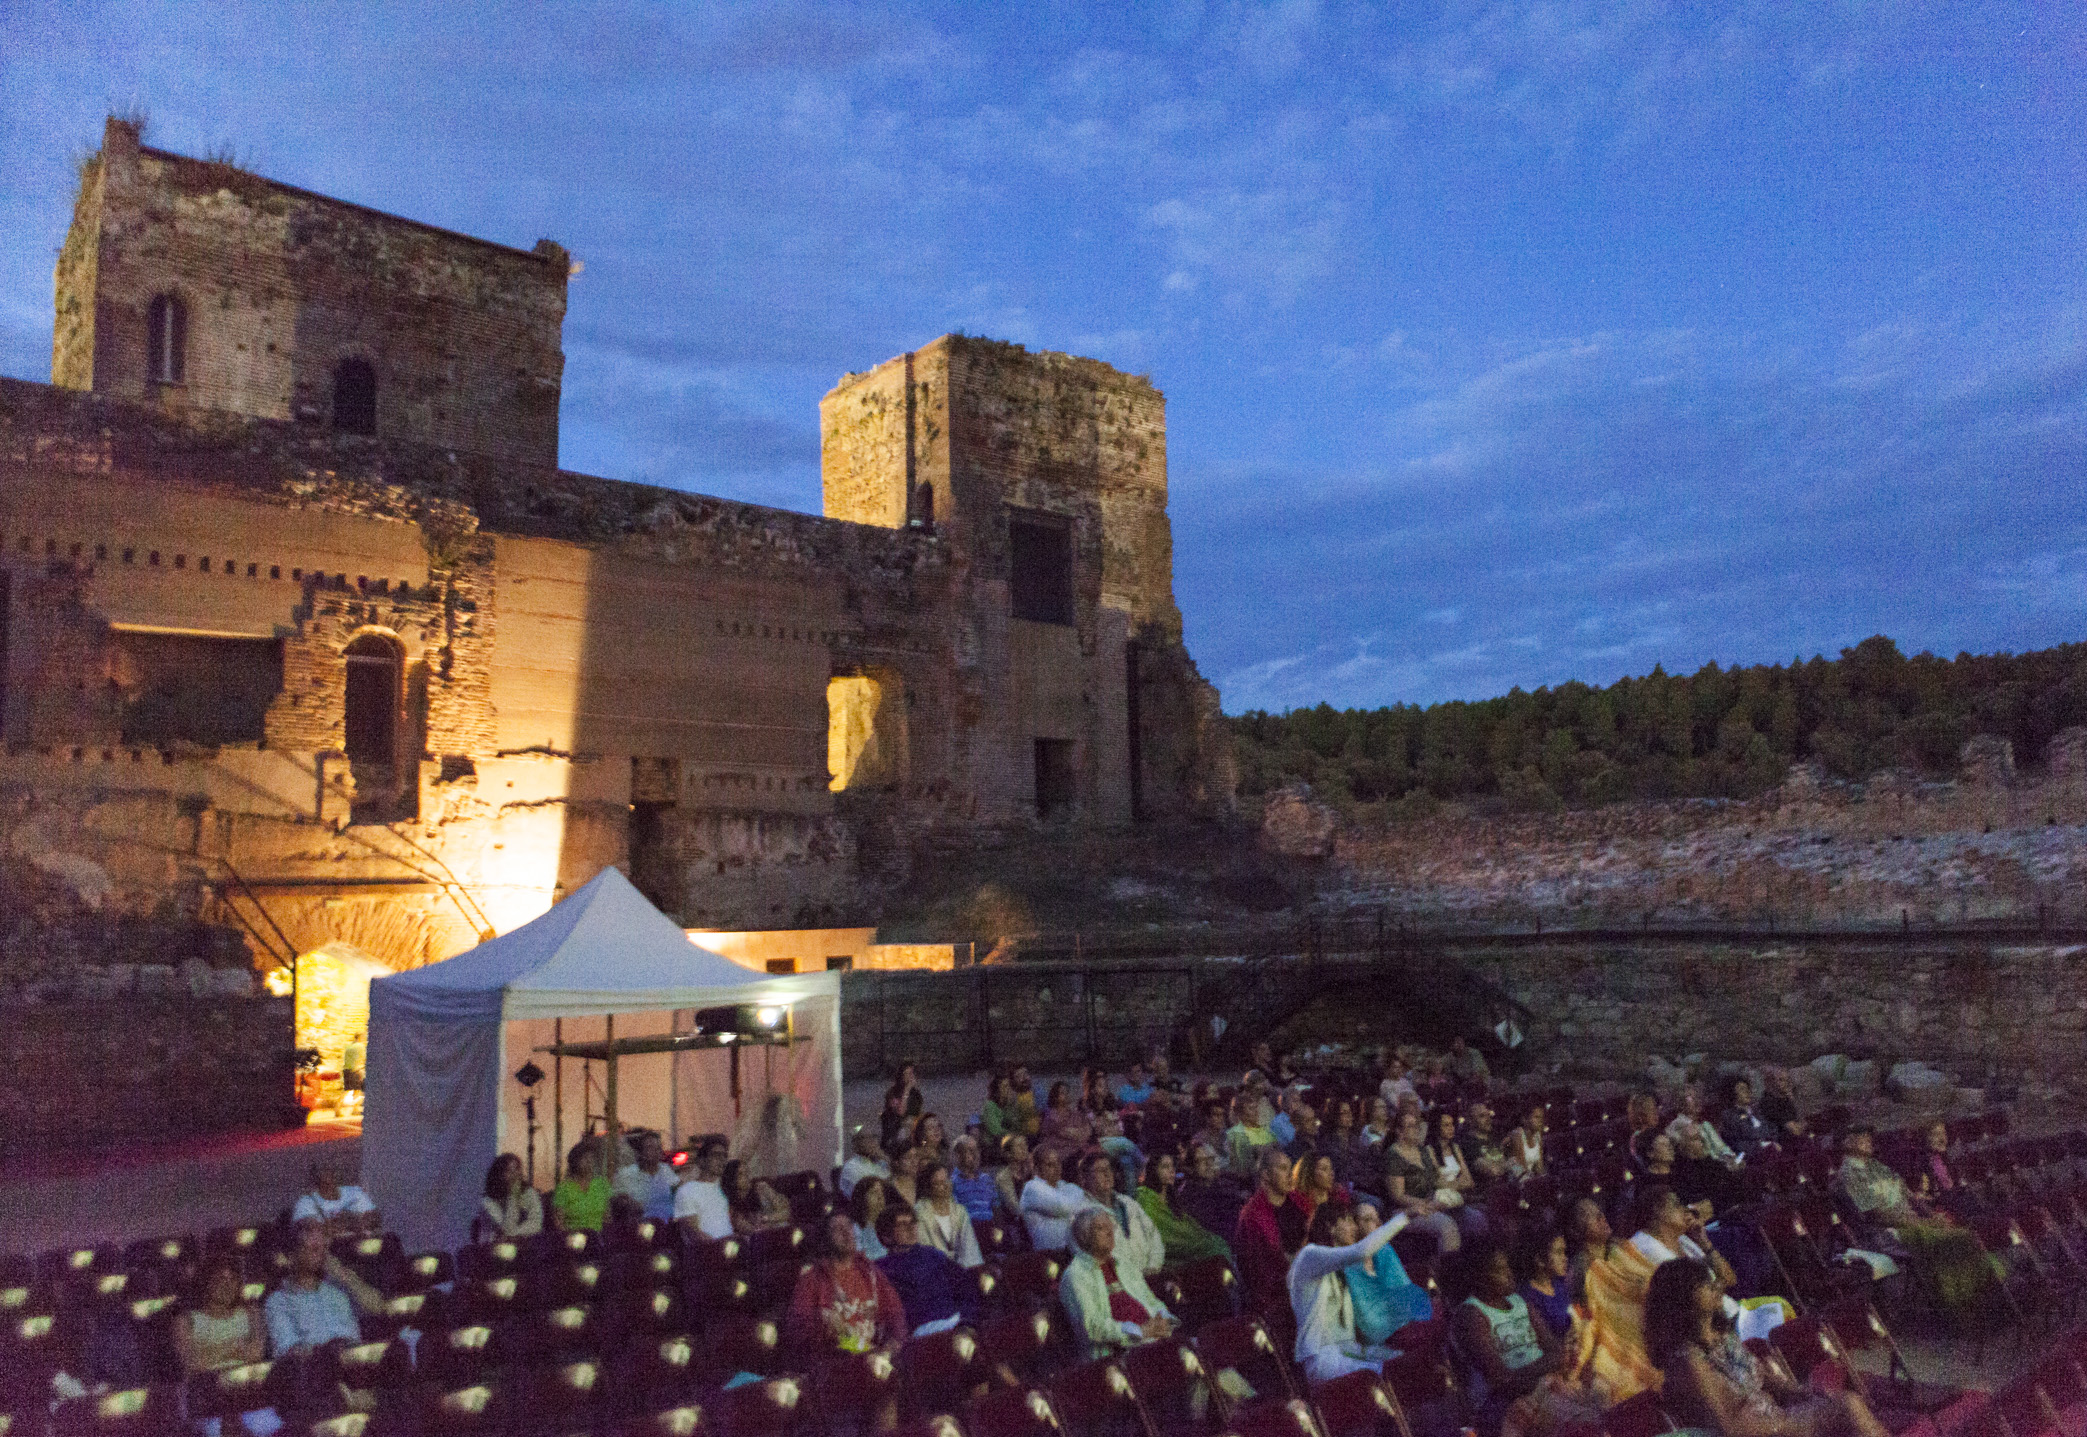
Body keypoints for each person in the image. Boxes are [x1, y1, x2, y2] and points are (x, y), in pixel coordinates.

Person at [1647, 1258, 1890, 1437]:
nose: (1717, 1285)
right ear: (1683, 1298)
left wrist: (1802, 1395)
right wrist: (1785, 1424)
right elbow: (1726, 1429)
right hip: (1765, 1431)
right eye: (1706, 1283)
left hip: (1777, 1419)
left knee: (1843, 1401)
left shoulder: (1724, 1338)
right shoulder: (1690, 1362)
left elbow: (1763, 1378)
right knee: (1847, 1406)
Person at [1451, 1238, 1605, 1437]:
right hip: (1503, 1403)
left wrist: (1536, 1375)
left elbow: (1556, 1352)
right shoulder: (1471, 1315)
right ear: (1480, 1278)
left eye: (1508, 1268)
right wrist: (1543, 1371)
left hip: (1540, 1387)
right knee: (1582, 1424)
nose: (1509, 1274)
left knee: (1602, 1403)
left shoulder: (1518, 1301)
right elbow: (1501, 1381)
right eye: (1500, 1270)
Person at [1837, 1126, 1997, 1317]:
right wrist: (1921, 1224)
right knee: (1951, 1241)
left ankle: (1980, 1295)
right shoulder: (1849, 1175)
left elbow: (1911, 1197)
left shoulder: (1878, 1167)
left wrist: (1931, 1217)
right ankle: (1959, 1304)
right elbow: (1877, 1215)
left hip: (1911, 1223)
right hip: (1884, 1233)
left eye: (1867, 1137)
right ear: (1847, 1144)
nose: (1868, 1141)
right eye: (1861, 1138)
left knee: (1963, 1235)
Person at [1628, 1185, 1785, 1342]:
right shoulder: (1646, 1248)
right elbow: (1700, 1303)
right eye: (1677, 1205)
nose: (1686, 1211)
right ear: (1658, 1211)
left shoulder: (1682, 1239)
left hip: (1735, 1313)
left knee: (1786, 1312)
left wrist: (1704, 1242)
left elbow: (1730, 1279)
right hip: (1717, 1329)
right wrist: (1719, 1283)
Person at [1289, 1199, 1411, 1382]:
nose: (1354, 1227)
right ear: (1331, 1226)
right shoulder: (1310, 1256)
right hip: (1322, 1360)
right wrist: (1407, 1216)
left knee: (1403, 1361)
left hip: (1348, 1351)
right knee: (1387, 1375)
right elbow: (1361, 1251)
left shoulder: (1344, 1268)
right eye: (1347, 1220)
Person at [1563, 1198, 1661, 1402]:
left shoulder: (1621, 1250)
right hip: (1616, 1343)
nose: (1601, 1217)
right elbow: (1589, 1320)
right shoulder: (1580, 1270)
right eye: (1588, 1215)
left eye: (1599, 1211)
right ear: (1574, 1231)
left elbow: (1651, 1279)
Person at [1059, 1209, 1177, 1359]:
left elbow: (1150, 1299)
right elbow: (1093, 1327)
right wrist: (1139, 1331)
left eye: (1111, 1227)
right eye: (1101, 1228)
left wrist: (1163, 1320)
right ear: (1083, 1237)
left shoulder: (1122, 1263)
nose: (1110, 1232)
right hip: (1117, 1356)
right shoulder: (1075, 1275)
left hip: (1152, 1339)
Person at [789, 1211, 908, 1356]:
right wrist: (824, 1324)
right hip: (838, 1362)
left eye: (849, 1227)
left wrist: (891, 1347)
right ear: (827, 1239)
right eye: (838, 1229)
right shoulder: (812, 1281)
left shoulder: (870, 1272)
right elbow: (798, 1331)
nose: (846, 1233)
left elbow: (896, 1315)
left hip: (878, 1358)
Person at [264, 1220, 382, 1360]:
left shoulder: (337, 1294)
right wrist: (329, 1351)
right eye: (313, 1249)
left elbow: (378, 1308)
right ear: (291, 1256)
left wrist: (344, 1276)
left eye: (322, 1248)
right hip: (313, 1374)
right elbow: (289, 1351)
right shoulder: (278, 1302)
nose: (321, 1254)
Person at [877, 1206, 978, 1336]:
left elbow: (964, 1285)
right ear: (887, 1237)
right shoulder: (883, 1269)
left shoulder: (932, 1254)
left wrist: (967, 1318)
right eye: (902, 1224)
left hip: (955, 1320)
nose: (911, 1228)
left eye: (913, 1222)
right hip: (922, 1331)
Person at [1344, 1200, 1435, 1346]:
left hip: (1401, 1327)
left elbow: (1402, 1291)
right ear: (1354, 1225)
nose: (1377, 1223)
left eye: (1377, 1218)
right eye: (1368, 1220)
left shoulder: (1383, 1249)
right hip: (1376, 1337)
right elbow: (1366, 1318)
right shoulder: (1347, 1263)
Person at [1235, 1146, 1309, 1323]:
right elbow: (1257, 1271)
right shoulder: (1252, 1216)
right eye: (1283, 1169)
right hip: (1276, 1292)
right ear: (1266, 1175)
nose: (1290, 1174)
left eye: (1290, 1169)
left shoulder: (1298, 1202)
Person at [1381, 1110, 1462, 1254]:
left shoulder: (1422, 1151)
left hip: (1432, 1201)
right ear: (1400, 1132)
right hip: (1406, 1210)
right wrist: (1427, 1204)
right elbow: (1398, 1196)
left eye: (1416, 1125)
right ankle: (1449, 1270)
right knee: (1446, 1225)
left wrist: (1452, 1193)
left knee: (1474, 1218)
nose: (1416, 1129)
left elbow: (1436, 1179)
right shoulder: (1393, 1156)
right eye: (1411, 1126)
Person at [1135, 1152, 1235, 1267]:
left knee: (1217, 1244)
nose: (1171, 1171)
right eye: (1165, 1167)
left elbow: (1186, 1226)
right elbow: (1163, 1236)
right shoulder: (1146, 1200)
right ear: (1154, 1170)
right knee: (1214, 1250)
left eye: (1172, 1166)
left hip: (1189, 1248)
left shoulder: (1172, 1198)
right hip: (1170, 1258)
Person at [1078, 1151, 1165, 1278]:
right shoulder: (1083, 1214)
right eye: (1100, 1170)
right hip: (1121, 1284)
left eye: (1109, 1169)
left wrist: (1153, 1267)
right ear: (1086, 1178)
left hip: (1150, 1276)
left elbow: (1154, 1236)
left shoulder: (1129, 1203)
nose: (1107, 1174)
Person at [916, 1160, 985, 1267]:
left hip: (961, 1271)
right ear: (928, 1187)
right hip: (934, 1270)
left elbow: (970, 1248)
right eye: (938, 1183)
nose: (945, 1187)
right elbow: (924, 1247)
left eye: (946, 1181)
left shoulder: (960, 1212)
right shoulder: (920, 1211)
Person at [1020, 1147, 1088, 1253]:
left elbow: (1086, 1206)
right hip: (1050, 1255)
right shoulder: (1032, 1187)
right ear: (1036, 1168)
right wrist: (1075, 1204)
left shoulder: (1066, 1186)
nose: (1057, 1168)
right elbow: (1063, 1208)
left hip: (1074, 1249)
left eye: (1058, 1163)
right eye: (1050, 1165)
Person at [1514, 1227, 1576, 1342]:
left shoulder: (1560, 1286)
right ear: (1540, 1260)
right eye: (1558, 1252)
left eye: (1564, 1252)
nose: (1565, 1258)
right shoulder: (1528, 1296)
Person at [1178, 1141, 1247, 1241]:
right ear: (1191, 1167)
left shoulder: (1219, 1186)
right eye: (1201, 1160)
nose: (1208, 1164)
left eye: (1211, 1159)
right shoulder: (1188, 1196)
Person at [291, 1162, 380, 1236]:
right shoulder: (306, 1202)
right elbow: (306, 1231)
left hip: (360, 1244)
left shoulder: (355, 1192)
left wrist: (352, 1220)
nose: (330, 1175)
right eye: (324, 1171)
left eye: (331, 1170)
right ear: (316, 1178)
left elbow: (374, 1218)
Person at [1427, 1110, 1483, 1225]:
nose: (1451, 1128)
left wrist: (1453, 1184)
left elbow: (1470, 1181)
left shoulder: (1455, 1148)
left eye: (1452, 1124)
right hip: (1443, 1201)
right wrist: (1460, 1183)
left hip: (1459, 1197)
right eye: (1446, 1125)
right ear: (1437, 1127)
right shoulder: (1429, 1150)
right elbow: (1438, 1183)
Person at [474, 1153, 545, 1243]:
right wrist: (513, 1197)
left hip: (522, 1242)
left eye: (517, 1169)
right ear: (499, 1175)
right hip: (492, 1246)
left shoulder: (529, 1193)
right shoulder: (488, 1202)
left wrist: (516, 1235)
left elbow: (536, 1223)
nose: (515, 1175)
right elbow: (507, 1228)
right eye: (509, 1171)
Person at [614, 1132, 683, 1224]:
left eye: (658, 1148)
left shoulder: (665, 1170)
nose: (656, 1151)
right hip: (642, 1225)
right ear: (640, 1151)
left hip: (668, 1223)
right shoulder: (627, 1174)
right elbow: (618, 1200)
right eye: (650, 1147)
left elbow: (678, 1189)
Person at [671, 1136, 732, 1240]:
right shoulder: (687, 1191)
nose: (721, 1160)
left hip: (731, 1248)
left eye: (724, 1155)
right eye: (716, 1155)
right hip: (706, 1252)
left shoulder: (724, 1188)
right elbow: (692, 1231)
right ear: (702, 1160)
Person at [1667, 1084, 1742, 1167]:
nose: (1697, 1100)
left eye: (1698, 1096)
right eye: (1691, 1096)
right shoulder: (1675, 1126)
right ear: (1680, 1103)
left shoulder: (1706, 1125)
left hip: (1718, 1166)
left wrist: (1729, 1156)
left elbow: (1721, 1148)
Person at [552, 1141, 614, 1233]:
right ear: (575, 1162)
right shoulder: (564, 1189)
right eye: (585, 1158)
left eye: (592, 1158)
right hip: (574, 1237)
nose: (589, 1162)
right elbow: (559, 1222)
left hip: (598, 1237)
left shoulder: (602, 1185)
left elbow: (608, 1216)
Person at [725, 1159, 793, 1234]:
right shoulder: (731, 1206)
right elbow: (749, 1230)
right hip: (759, 1238)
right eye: (740, 1174)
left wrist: (767, 1219)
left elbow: (786, 1213)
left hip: (778, 1228)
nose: (746, 1176)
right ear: (732, 1180)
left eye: (747, 1172)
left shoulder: (761, 1187)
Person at [1716, 1077, 1778, 1158]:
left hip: (1769, 1151)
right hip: (1749, 1157)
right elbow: (1736, 1144)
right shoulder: (1729, 1116)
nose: (1747, 1092)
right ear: (1733, 1093)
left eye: (1748, 1089)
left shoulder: (1757, 1111)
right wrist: (1761, 1145)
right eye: (1742, 1089)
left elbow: (1770, 1129)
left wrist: (1771, 1142)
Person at [1225, 1094, 1280, 1178]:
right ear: (1240, 1113)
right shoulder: (1235, 1133)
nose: (1256, 1112)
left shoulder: (1267, 1132)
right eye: (1251, 1109)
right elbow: (1241, 1165)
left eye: (1256, 1108)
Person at [1037, 1081, 1095, 1161]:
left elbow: (1087, 1130)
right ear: (1055, 1097)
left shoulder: (1076, 1114)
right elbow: (1064, 1132)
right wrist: (1078, 1133)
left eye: (1068, 1092)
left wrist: (1079, 1133)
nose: (1067, 1095)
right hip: (1060, 1152)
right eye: (1063, 1093)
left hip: (1080, 1148)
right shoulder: (1051, 1115)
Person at [950, 1136, 999, 1224]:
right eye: (971, 1151)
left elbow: (996, 1207)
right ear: (959, 1155)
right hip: (969, 1229)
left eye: (977, 1150)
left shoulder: (986, 1179)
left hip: (990, 1228)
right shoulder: (953, 1183)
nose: (976, 1155)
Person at [1462, 1101, 1511, 1191]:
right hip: (1484, 1193)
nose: (1488, 1119)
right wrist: (1507, 1165)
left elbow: (1510, 1162)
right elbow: (1491, 1171)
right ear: (1471, 1121)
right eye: (1482, 1116)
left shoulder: (1495, 1137)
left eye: (1488, 1115)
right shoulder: (1468, 1143)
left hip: (1505, 1187)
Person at [993, 1134, 1036, 1224]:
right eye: (1019, 1146)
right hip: (1016, 1223)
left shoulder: (1031, 1171)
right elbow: (1015, 1208)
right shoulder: (1003, 1178)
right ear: (1008, 1154)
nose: (1024, 1149)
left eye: (1025, 1145)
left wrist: (1033, 1172)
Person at [1292, 1152, 1347, 1223]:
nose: (1331, 1173)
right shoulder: (1297, 1200)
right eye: (1324, 1169)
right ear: (1309, 1172)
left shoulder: (1338, 1197)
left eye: (1331, 1169)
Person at [839, 1126, 892, 1198]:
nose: (873, 1142)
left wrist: (886, 1158)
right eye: (867, 1138)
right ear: (856, 1144)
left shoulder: (882, 1163)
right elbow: (865, 1194)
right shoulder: (851, 1167)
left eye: (874, 1137)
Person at [1758, 1069, 1808, 1141]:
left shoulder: (1787, 1099)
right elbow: (1789, 1126)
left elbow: (1802, 1121)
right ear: (1772, 1082)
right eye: (1781, 1080)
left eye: (1787, 1080)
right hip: (1779, 1139)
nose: (1786, 1083)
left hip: (1794, 1135)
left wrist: (1792, 1099)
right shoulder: (1767, 1101)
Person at [852, 1176, 894, 1260]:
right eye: (874, 1193)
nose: (880, 1197)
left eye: (881, 1192)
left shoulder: (890, 1225)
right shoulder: (855, 1229)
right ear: (862, 1198)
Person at [1505, 1102, 1548, 1180]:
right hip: (1517, 1180)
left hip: (1530, 1178)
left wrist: (1543, 1178)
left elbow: (1539, 1166)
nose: (1541, 1121)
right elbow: (1521, 1169)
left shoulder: (1538, 1135)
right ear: (1525, 1119)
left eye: (1542, 1117)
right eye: (1537, 1117)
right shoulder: (1517, 1134)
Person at [982, 1074, 1019, 1145]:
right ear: (997, 1090)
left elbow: (1015, 1125)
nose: (1009, 1089)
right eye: (1005, 1086)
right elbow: (995, 1131)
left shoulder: (1007, 1106)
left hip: (1008, 1140)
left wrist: (1012, 1105)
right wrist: (1014, 1135)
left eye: (1009, 1086)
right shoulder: (990, 1106)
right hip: (993, 1143)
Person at [887, 1142, 925, 1207]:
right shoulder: (889, 1186)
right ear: (897, 1162)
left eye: (916, 1156)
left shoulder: (923, 1184)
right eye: (908, 1157)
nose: (914, 1161)